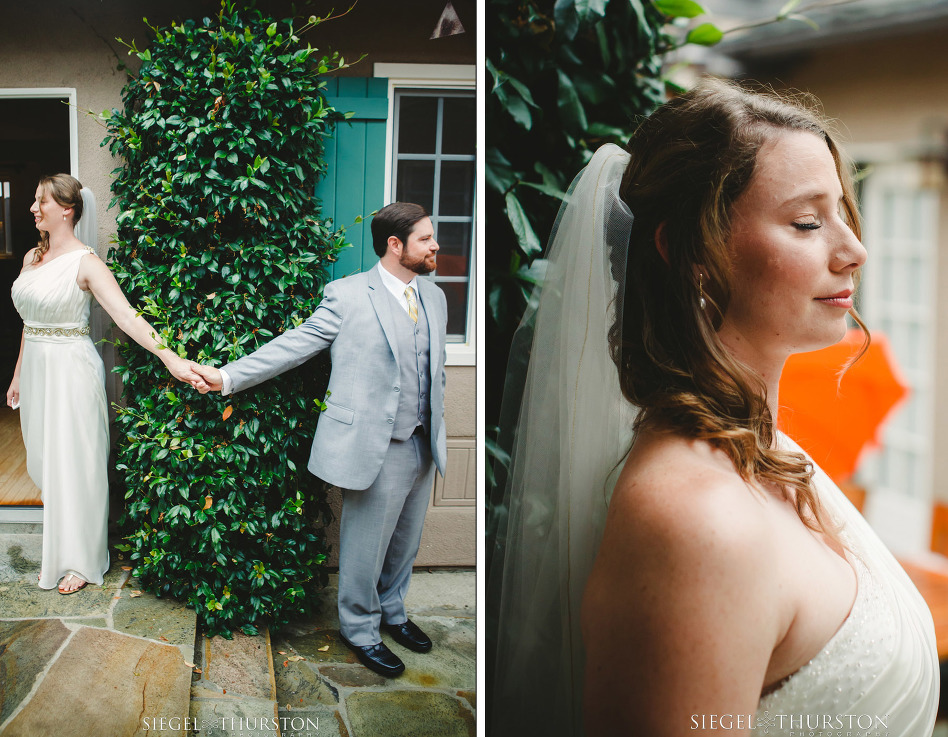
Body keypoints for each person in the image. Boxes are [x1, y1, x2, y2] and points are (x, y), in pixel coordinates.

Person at [488, 78, 938, 736]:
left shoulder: (767, 450)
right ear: (693, 252)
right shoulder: (696, 521)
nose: (855, 250)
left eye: (844, 212)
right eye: (808, 222)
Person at [190, 201, 448, 678]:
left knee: (405, 543)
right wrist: (225, 377)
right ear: (395, 245)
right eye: (426, 238)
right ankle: (361, 630)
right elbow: (295, 345)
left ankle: (393, 611)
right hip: (374, 445)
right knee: (365, 547)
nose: (436, 246)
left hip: (422, 442)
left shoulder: (435, 297)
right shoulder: (348, 296)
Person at [6, 174, 199, 594]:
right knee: (47, 462)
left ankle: (80, 558)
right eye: (35, 201)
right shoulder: (29, 259)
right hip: (38, 370)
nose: (34, 208)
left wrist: (171, 358)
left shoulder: (87, 263)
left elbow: (127, 318)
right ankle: (62, 545)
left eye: (41, 201)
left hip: (72, 370)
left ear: (67, 209)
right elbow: (27, 324)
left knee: (75, 462)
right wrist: (19, 373)